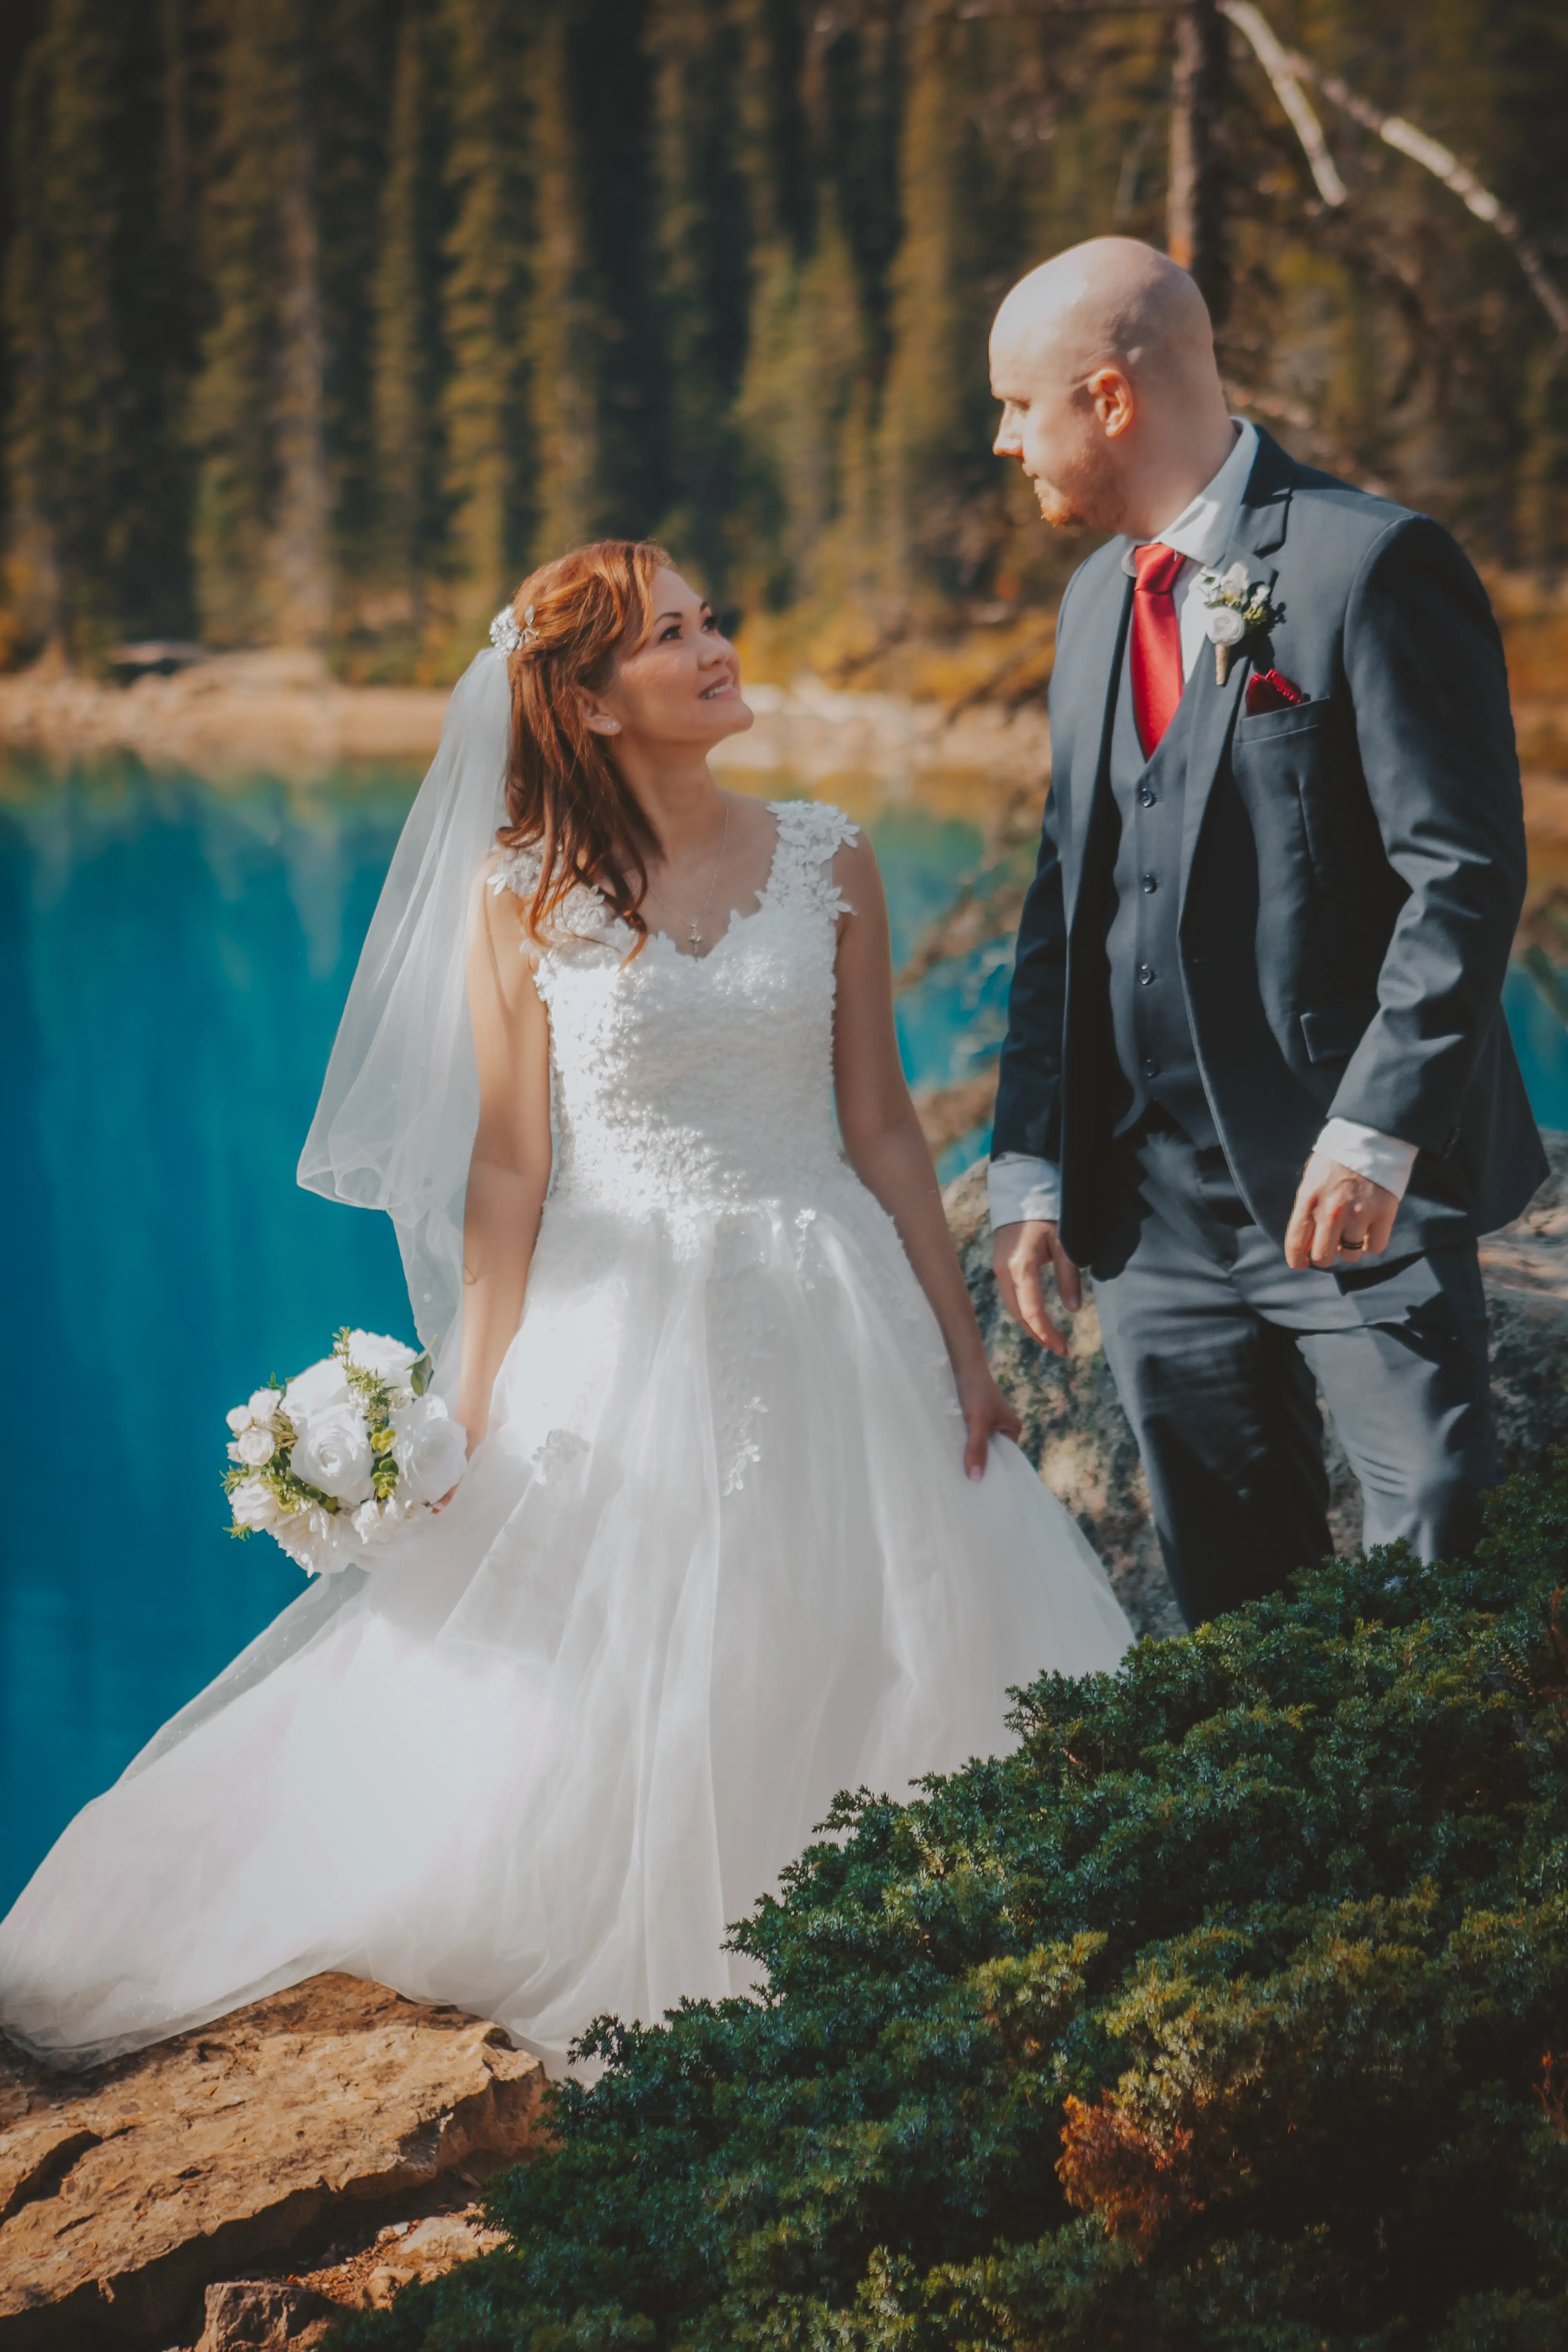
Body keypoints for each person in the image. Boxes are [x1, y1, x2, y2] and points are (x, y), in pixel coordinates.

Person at [0, 541, 1129, 2074]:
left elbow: (876, 1126)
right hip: (618, 1317)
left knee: (876, 1609)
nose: (718, 645)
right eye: (673, 635)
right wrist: (465, 1397)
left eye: (710, 616)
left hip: (826, 1291)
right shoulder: (523, 893)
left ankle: (876, 1935)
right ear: (589, 704)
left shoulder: (828, 851)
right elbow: (514, 1166)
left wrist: (958, 1347)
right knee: (604, 1642)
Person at [987, 236, 1544, 1629]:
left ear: (1109, 400)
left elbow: (1464, 878)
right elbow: (1067, 905)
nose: (1004, 441)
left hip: (1355, 1198)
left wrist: (1375, 1133)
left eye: (1017, 405)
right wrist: (1033, 1167)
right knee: (1233, 1621)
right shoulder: (1093, 603)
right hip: (1156, 1219)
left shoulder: (1377, 563)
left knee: (1433, 1586)